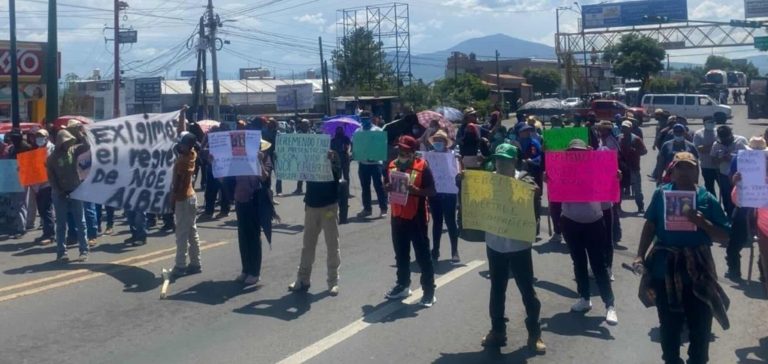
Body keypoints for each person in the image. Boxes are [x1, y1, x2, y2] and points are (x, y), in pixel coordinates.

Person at [633, 152, 730, 364]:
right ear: (672, 172)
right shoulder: (661, 194)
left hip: (699, 273)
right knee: (668, 327)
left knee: (701, 328)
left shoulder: (706, 198)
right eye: (680, 167)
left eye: (690, 167)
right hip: (664, 271)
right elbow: (650, 225)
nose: (685, 172)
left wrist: (702, 222)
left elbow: (725, 235)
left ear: (697, 172)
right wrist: (640, 255)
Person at [480, 143, 546, 354]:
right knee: (497, 290)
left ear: (514, 162)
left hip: (519, 247)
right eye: (498, 160)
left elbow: (532, 188)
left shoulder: (524, 179)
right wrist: (462, 181)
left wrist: (533, 192)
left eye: (506, 160)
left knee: (527, 291)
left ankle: (535, 334)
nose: (501, 164)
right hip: (495, 245)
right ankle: (497, 331)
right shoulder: (488, 180)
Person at [556, 139, 618, 325]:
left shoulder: (597, 171)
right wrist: (548, 179)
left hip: (594, 222)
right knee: (578, 262)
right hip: (570, 222)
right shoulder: (561, 171)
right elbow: (555, 194)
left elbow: (607, 203)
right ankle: (584, 298)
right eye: (573, 151)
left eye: (580, 152)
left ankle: (610, 305)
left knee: (598, 265)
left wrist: (613, 177)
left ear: (587, 153)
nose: (577, 155)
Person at [384, 135, 437, 307]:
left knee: (422, 256)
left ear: (414, 152)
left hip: (417, 218)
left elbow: (432, 191)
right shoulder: (392, 165)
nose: (402, 152)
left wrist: (416, 190)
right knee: (400, 253)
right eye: (400, 149)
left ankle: (429, 291)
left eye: (406, 150)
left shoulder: (422, 166)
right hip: (397, 216)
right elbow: (387, 185)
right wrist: (387, 188)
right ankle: (403, 285)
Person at [287, 150, 342, 296]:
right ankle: (303, 278)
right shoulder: (309, 158)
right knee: (308, 245)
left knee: (332, 244)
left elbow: (338, 176)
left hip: (329, 206)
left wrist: (330, 161)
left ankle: (333, 281)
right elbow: (297, 171)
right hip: (312, 206)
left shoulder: (334, 157)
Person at [233, 138, 273, 286]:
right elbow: (227, 175)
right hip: (240, 199)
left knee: (253, 236)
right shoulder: (239, 158)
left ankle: (255, 272)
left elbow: (264, 177)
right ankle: (245, 269)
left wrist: (259, 161)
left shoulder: (265, 158)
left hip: (255, 200)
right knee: (243, 236)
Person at [47, 130, 89, 262]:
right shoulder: (52, 158)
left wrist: (80, 134)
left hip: (76, 190)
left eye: (69, 141)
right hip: (60, 194)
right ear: (60, 142)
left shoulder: (74, 151)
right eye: (65, 141)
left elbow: (87, 146)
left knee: (80, 222)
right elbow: (51, 178)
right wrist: (60, 191)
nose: (67, 143)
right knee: (61, 224)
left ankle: (84, 250)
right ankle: (61, 252)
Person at [170, 111, 203, 278]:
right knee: (192, 231)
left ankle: (180, 265)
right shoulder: (191, 154)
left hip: (183, 199)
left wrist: (172, 199)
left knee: (182, 234)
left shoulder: (183, 162)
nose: (178, 145)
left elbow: (178, 185)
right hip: (191, 198)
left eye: (181, 143)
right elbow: (182, 134)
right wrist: (182, 115)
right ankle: (196, 262)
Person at [426, 130, 460, 263]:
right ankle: (435, 250)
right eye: (436, 141)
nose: (438, 143)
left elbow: (457, 170)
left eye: (440, 141)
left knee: (451, 222)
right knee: (437, 223)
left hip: (449, 193)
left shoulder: (452, 155)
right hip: (435, 193)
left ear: (446, 143)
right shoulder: (429, 156)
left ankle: (454, 251)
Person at [355, 117, 388, 218]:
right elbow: (356, 145)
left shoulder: (378, 130)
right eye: (362, 119)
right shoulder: (358, 131)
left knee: (379, 186)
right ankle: (367, 209)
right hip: (363, 164)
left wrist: (375, 156)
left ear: (370, 119)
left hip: (376, 164)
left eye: (366, 119)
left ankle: (383, 209)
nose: (364, 121)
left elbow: (382, 145)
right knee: (365, 188)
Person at [711, 125, 747, 217]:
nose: (725, 141)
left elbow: (749, 157)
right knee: (727, 196)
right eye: (723, 139)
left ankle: (741, 216)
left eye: (727, 138)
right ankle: (729, 216)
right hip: (724, 175)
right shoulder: (716, 144)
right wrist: (722, 158)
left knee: (740, 196)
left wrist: (734, 158)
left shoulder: (741, 141)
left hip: (740, 176)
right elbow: (713, 160)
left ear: (731, 134)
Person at [5, 129, 32, 238]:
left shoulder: (26, 147)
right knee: (15, 203)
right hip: (14, 178)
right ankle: (18, 225)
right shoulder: (12, 148)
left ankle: (21, 228)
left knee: (21, 203)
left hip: (23, 178)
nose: (14, 139)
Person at [31, 128, 55, 244]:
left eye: (41, 136)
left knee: (47, 209)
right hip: (38, 185)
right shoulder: (38, 149)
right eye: (37, 136)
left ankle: (50, 235)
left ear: (47, 137)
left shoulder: (51, 149)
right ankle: (46, 233)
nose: (39, 138)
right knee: (42, 210)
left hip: (47, 184)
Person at [619, 120, 647, 213]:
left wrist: (635, 151)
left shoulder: (636, 139)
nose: (624, 129)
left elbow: (644, 151)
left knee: (637, 190)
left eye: (626, 127)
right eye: (623, 127)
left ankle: (640, 206)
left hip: (633, 168)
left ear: (630, 128)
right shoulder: (618, 138)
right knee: (619, 189)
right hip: (621, 168)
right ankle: (618, 207)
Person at [694, 118, 719, 196]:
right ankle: (712, 205)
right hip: (706, 166)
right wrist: (714, 145)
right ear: (704, 123)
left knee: (724, 188)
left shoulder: (718, 132)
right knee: (709, 188)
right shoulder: (698, 134)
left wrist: (708, 148)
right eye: (709, 122)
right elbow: (700, 149)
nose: (711, 124)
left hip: (719, 166)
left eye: (713, 122)